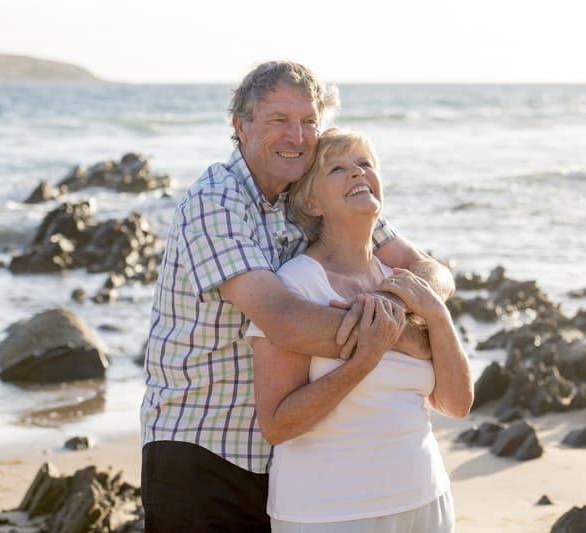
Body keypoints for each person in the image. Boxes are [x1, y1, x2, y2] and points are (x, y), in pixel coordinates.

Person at [140, 61, 455, 532]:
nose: (297, 136)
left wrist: (400, 303)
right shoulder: (215, 202)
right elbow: (283, 319)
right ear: (240, 126)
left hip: (283, 457)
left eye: (309, 121)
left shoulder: (310, 191)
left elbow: (431, 271)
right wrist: (411, 334)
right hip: (201, 451)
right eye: (279, 121)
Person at [247, 128, 474, 533]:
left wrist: (435, 315)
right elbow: (277, 425)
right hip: (327, 512)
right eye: (338, 168)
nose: (357, 173)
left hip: (424, 499)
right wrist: (363, 361)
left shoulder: (406, 283)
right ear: (312, 202)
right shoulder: (296, 286)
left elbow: (456, 403)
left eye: (365, 164)